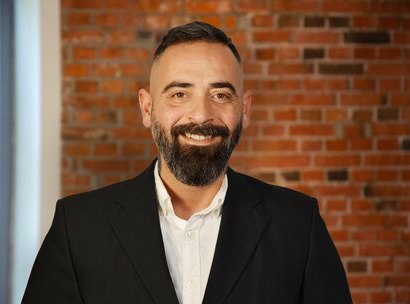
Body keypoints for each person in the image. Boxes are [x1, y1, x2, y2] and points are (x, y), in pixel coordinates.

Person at [22, 21, 352, 304]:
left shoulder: (298, 224)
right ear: (147, 108)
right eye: (179, 94)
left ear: (244, 110)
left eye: (221, 95)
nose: (201, 114)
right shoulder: (77, 227)